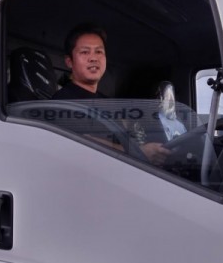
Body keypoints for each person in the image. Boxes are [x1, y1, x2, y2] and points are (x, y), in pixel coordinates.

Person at [53, 23, 169, 165]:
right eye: (85, 52)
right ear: (69, 61)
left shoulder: (107, 102)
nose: (93, 58)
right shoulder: (62, 102)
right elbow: (79, 142)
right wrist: (138, 152)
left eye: (99, 52)